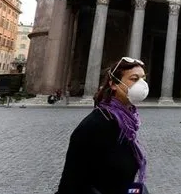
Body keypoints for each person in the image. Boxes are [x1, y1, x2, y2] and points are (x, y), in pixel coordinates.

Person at [56, 57, 149, 194]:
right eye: (134, 79)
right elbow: (72, 183)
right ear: (113, 84)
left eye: (143, 79)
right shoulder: (96, 125)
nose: (142, 84)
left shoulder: (127, 124)